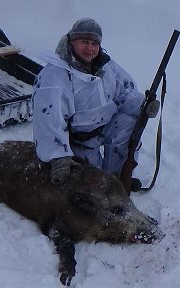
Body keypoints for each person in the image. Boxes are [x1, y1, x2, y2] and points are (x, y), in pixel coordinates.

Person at [32, 18, 144, 191]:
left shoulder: (107, 67)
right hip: (77, 140)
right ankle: (99, 178)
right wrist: (58, 158)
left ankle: (118, 179)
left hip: (104, 127)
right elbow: (48, 118)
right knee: (92, 186)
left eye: (94, 43)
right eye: (84, 42)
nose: (90, 48)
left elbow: (125, 92)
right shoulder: (55, 75)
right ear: (71, 41)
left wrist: (143, 106)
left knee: (129, 124)